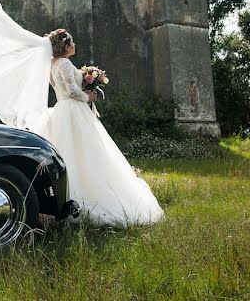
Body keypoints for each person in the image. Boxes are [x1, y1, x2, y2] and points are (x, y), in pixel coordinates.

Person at [41, 28, 164, 226]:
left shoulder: (51, 66)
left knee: (69, 152)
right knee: (89, 152)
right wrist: (88, 96)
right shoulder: (64, 63)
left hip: (61, 111)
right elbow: (72, 90)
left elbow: (62, 89)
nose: (74, 45)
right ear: (65, 45)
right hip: (73, 110)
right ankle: (91, 198)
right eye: (72, 42)